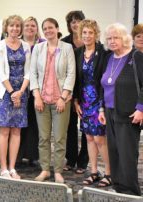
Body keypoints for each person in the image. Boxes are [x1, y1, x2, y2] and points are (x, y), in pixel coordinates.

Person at [98, 23, 143, 196]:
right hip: (109, 112)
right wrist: (101, 110)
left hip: (128, 113)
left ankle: (130, 192)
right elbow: (103, 85)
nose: (112, 41)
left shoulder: (136, 56)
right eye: (109, 38)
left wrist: (140, 108)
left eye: (116, 37)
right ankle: (118, 187)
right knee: (114, 151)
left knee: (127, 154)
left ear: (124, 38)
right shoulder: (109, 57)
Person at [30, 18, 75, 183]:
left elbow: (71, 74)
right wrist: (36, 96)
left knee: (59, 138)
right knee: (43, 138)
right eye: (45, 28)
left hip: (60, 101)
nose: (48, 31)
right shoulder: (38, 48)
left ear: (57, 29)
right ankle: (44, 170)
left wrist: (63, 97)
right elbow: (33, 73)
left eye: (51, 28)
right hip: (41, 100)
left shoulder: (67, 48)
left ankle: (57, 171)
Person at [73, 19, 111, 187]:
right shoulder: (78, 52)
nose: (87, 36)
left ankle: (109, 173)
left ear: (96, 34)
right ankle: (94, 171)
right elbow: (75, 80)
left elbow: (105, 81)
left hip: (99, 101)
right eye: (84, 33)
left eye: (90, 32)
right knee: (88, 138)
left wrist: (102, 105)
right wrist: (76, 100)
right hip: (84, 101)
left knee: (99, 139)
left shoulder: (104, 52)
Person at [0, 15, 31, 179]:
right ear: (6, 28)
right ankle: (3, 168)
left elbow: (29, 71)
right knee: (4, 131)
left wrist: (20, 92)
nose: (15, 29)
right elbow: (0, 72)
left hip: (21, 93)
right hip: (4, 93)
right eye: (12, 26)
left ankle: (12, 167)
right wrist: (12, 92)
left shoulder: (26, 46)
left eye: (17, 26)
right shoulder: (0, 46)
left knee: (16, 131)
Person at [61, 10, 89, 174]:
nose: (75, 24)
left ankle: (83, 161)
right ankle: (71, 159)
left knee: (87, 127)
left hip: (88, 92)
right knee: (69, 127)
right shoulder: (64, 42)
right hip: (69, 91)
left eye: (78, 21)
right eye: (72, 21)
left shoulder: (91, 41)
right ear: (69, 25)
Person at [17, 16, 45, 167]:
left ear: (37, 28)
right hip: (19, 89)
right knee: (19, 123)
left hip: (38, 91)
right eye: (27, 25)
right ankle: (18, 155)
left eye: (33, 26)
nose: (29, 28)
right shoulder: (17, 44)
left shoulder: (43, 44)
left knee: (35, 123)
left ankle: (33, 155)